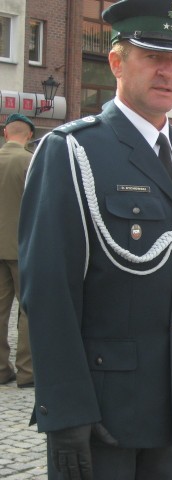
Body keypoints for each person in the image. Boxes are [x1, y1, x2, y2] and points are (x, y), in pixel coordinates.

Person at [18, 1, 172, 478]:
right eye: (153, 56)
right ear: (116, 63)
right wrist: (64, 413)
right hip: (101, 411)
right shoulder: (72, 150)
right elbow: (48, 292)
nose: (168, 71)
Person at [0, 114, 35, 388]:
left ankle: (1, 369)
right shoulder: (30, 162)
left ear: (5, 133)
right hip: (23, 248)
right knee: (27, 310)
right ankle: (26, 371)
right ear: (30, 136)